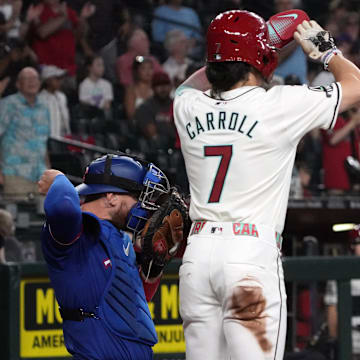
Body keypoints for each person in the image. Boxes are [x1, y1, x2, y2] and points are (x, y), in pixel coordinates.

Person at [173, 9, 360, 360]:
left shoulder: (188, 106)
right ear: (260, 58)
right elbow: (356, 85)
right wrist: (325, 49)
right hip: (248, 255)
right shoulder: (280, 104)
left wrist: (235, 50)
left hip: (197, 255)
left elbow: (191, 84)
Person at [38, 153, 170, 360]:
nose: (144, 207)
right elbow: (63, 206)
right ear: (111, 197)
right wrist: (59, 180)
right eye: (138, 197)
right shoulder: (75, 230)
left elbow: (132, 304)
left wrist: (153, 271)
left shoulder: (121, 239)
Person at [0, 66, 50, 200]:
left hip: (40, 176)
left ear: (40, 83)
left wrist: (49, 173)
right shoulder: (7, 104)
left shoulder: (44, 108)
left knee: (45, 219)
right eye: (27, 79)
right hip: (15, 173)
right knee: (18, 219)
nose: (32, 82)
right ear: (18, 84)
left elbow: (44, 144)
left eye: (35, 78)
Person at [324, 226, 360, 360]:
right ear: (352, 246)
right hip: (352, 341)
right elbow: (333, 310)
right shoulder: (341, 270)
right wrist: (335, 340)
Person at [39, 64, 71, 138]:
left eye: (60, 78)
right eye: (57, 78)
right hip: (49, 138)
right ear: (48, 80)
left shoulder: (62, 96)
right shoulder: (41, 99)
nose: (60, 81)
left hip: (65, 137)